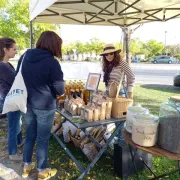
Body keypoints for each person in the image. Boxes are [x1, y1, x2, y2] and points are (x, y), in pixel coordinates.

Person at [16, 31, 65, 179]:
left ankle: (26, 166)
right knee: (42, 139)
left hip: (27, 102)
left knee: (30, 135)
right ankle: (42, 171)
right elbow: (60, 90)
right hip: (45, 105)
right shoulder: (52, 62)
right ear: (54, 45)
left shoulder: (25, 56)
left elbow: (18, 75)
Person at [100, 44, 135, 143]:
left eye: (111, 53)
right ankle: (106, 138)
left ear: (115, 53)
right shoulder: (107, 65)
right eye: (106, 55)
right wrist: (105, 91)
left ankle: (121, 142)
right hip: (109, 93)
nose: (108, 56)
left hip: (119, 93)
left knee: (119, 120)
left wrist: (130, 91)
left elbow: (132, 77)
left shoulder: (121, 63)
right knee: (106, 116)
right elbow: (109, 81)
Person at [0, 37, 23, 161]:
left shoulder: (7, 64)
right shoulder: (2, 66)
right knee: (13, 126)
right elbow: (16, 82)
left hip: (12, 98)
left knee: (17, 122)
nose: (16, 51)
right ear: (5, 49)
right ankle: (13, 153)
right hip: (10, 100)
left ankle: (19, 142)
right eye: (14, 49)